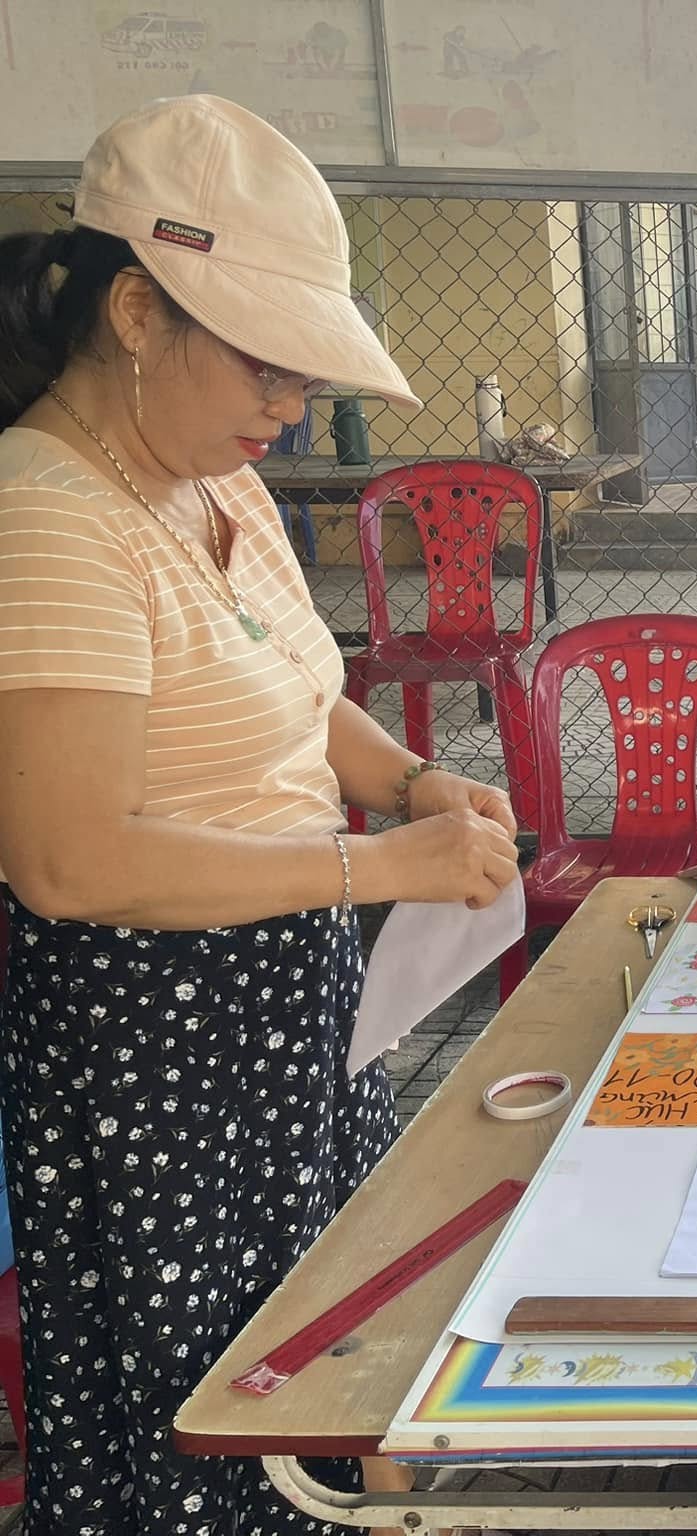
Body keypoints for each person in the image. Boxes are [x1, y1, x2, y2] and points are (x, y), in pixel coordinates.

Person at [0, 96, 520, 1534]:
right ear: (135, 313)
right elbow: (67, 860)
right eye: (264, 360)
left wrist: (410, 784)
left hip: (287, 1016)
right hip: (162, 1057)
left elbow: (304, 696)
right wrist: (375, 861)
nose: (289, 403)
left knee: (317, 1358)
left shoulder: (210, 484)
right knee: (208, 1424)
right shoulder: (49, 515)